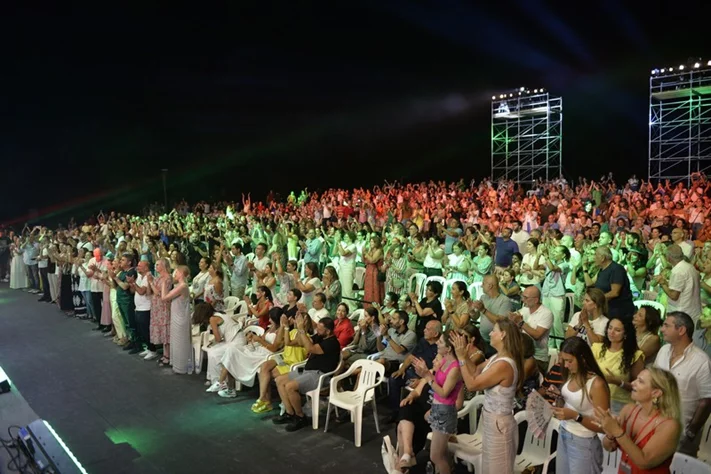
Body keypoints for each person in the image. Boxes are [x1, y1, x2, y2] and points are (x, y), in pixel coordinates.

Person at [451, 319, 525, 474]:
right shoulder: (496, 357)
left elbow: (471, 384)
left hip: (500, 424)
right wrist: (464, 354)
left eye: (494, 330)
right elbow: (476, 370)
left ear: (503, 335)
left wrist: (461, 358)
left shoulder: (504, 364)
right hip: (491, 421)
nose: (490, 333)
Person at [597, 368, 682, 473]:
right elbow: (609, 448)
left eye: (640, 381)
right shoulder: (628, 410)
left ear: (656, 393)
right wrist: (610, 434)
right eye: (636, 379)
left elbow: (644, 462)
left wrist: (616, 431)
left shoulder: (670, 425)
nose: (632, 383)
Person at [654, 311, 711, 456]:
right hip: (654, 425)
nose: (662, 329)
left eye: (667, 325)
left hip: (681, 434)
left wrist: (690, 432)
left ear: (681, 330)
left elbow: (707, 400)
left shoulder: (701, 361)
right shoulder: (663, 351)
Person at [551, 337, 610, 474]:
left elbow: (604, 426)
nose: (565, 365)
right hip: (564, 433)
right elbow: (570, 404)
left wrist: (576, 416)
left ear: (582, 359)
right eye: (564, 360)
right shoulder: (572, 374)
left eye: (569, 361)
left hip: (584, 442)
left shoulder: (596, 384)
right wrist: (559, 398)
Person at [273, 315, 341, 432]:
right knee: (279, 380)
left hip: (319, 375)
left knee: (290, 387)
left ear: (328, 331)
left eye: (320, 329)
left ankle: (300, 417)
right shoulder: (320, 336)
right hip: (308, 370)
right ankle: (290, 413)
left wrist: (301, 330)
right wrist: (293, 328)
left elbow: (310, 349)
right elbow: (298, 342)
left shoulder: (332, 343)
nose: (317, 331)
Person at [411, 331, 463, 474]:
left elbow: (444, 392)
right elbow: (434, 379)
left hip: (445, 411)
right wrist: (426, 371)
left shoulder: (455, 368)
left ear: (449, 348)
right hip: (437, 408)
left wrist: (427, 375)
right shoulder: (445, 361)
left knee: (436, 456)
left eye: (440, 342)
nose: (437, 344)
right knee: (442, 453)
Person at [591, 317, 645, 414]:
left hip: (620, 405)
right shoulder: (597, 348)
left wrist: (618, 382)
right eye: (610, 328)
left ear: (625, 333)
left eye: (617, 330)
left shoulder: (635, 356)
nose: (611, 332)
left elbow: (638, 387)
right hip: (596, 398)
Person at [510, 285, 554, 375]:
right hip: (523, 354)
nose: (522, 300)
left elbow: (537, 335)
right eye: (522, 296)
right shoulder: (525, 309)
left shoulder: (546, 313)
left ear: (536, 300)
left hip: (538, 358)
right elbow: (513, 317)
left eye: (525, 297)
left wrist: (521, 323)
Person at [584, 246, 635, 320]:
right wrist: (584, 267)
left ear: (603, 258)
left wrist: (596, 299)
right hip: (606, 309)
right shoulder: (601, 270)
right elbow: (590, 284)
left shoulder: (616, 269)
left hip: (618, 311)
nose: (594, 258)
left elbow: (614, 292)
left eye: (596, 255)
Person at [161, 265, 193, 375]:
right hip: (176, 315)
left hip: (181, 318)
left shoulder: (183, 286)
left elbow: (164, 298)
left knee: (181, 341)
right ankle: (177, 364)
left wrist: (164, 284)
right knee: (176, 340)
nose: (174, 274)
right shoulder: (178, 285)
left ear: (180, 273)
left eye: (176, 272)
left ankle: (182, 365)